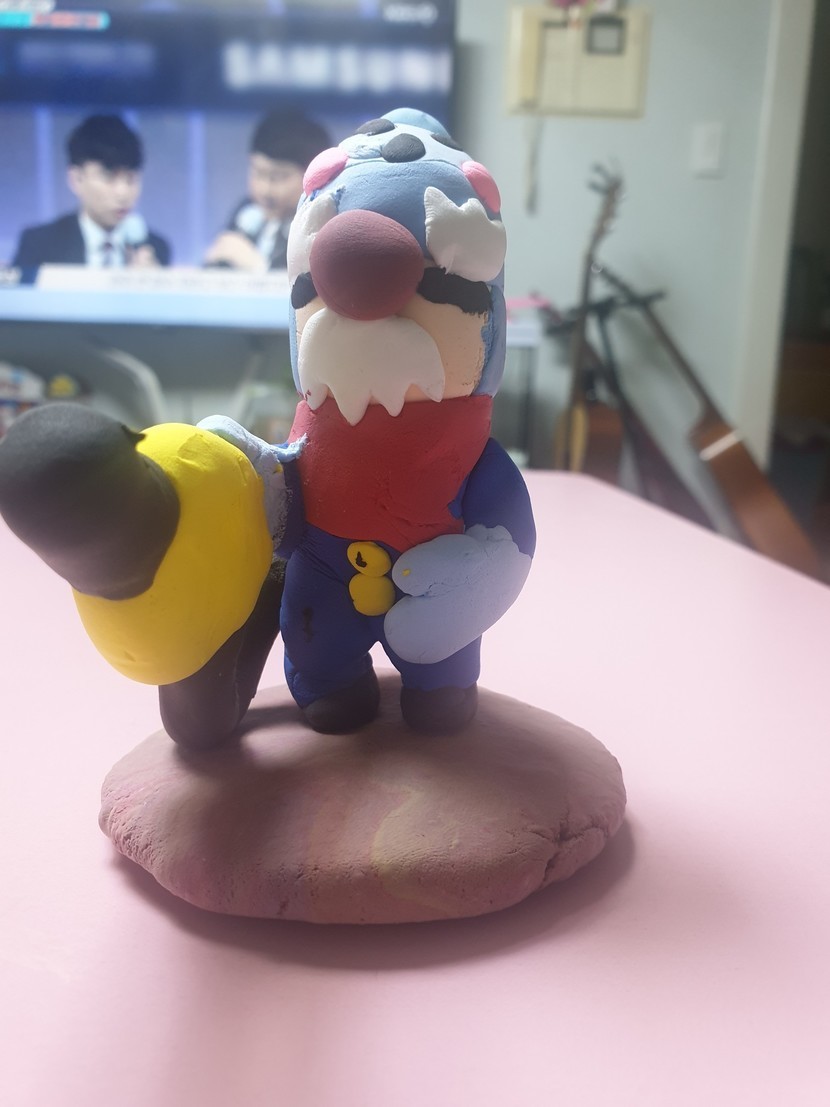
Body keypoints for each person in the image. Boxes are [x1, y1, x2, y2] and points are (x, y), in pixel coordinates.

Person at [12, 114, 171, 275]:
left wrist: (154, 284)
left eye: (131, 179)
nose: (123, 193)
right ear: (76, 179)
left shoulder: (155, 248)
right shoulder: (39, 245)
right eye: (109, 178)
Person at [204, 109, 330, 272]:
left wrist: (256, 266)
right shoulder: (246, 211)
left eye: (278, 177)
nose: (265, 190)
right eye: (258, 173)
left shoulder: (320, 225)